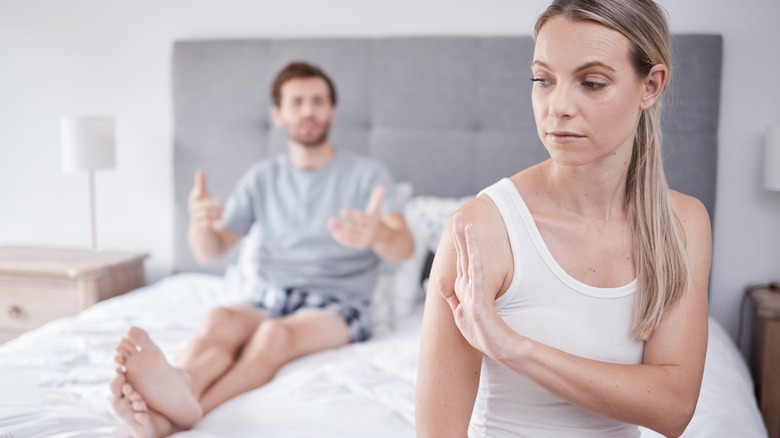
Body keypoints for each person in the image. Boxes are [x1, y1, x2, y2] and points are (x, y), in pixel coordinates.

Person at [415, 1, 711, 437]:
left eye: (591, 83)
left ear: (650, 86)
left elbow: (673, 408)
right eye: (543, 80)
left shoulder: (682, 223)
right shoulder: (480, 229)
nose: (558, 106)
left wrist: (515, 348)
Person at [109, 61, 414, 437]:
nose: (308, 111)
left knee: (274, 336)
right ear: (277, 114)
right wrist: (200, 225)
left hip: (338, 303)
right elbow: (210, 251)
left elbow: (404, 245)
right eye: (297, 101)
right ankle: (182, 381)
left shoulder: (368, 174)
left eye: (318, 101)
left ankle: (191, 411)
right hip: (270, 295)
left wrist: (379, 235)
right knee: (221, 318)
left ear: (332, 111)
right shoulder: (263, 177)